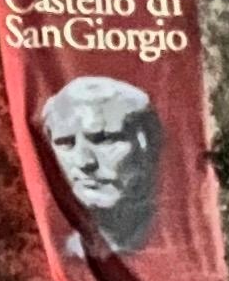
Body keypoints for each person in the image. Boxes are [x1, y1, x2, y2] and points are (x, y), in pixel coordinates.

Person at [37, 74, 163, 263]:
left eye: (104, 139)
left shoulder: (184, 242)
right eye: (65, 143)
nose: (84, 161)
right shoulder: (50, 254)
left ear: (146, 141)